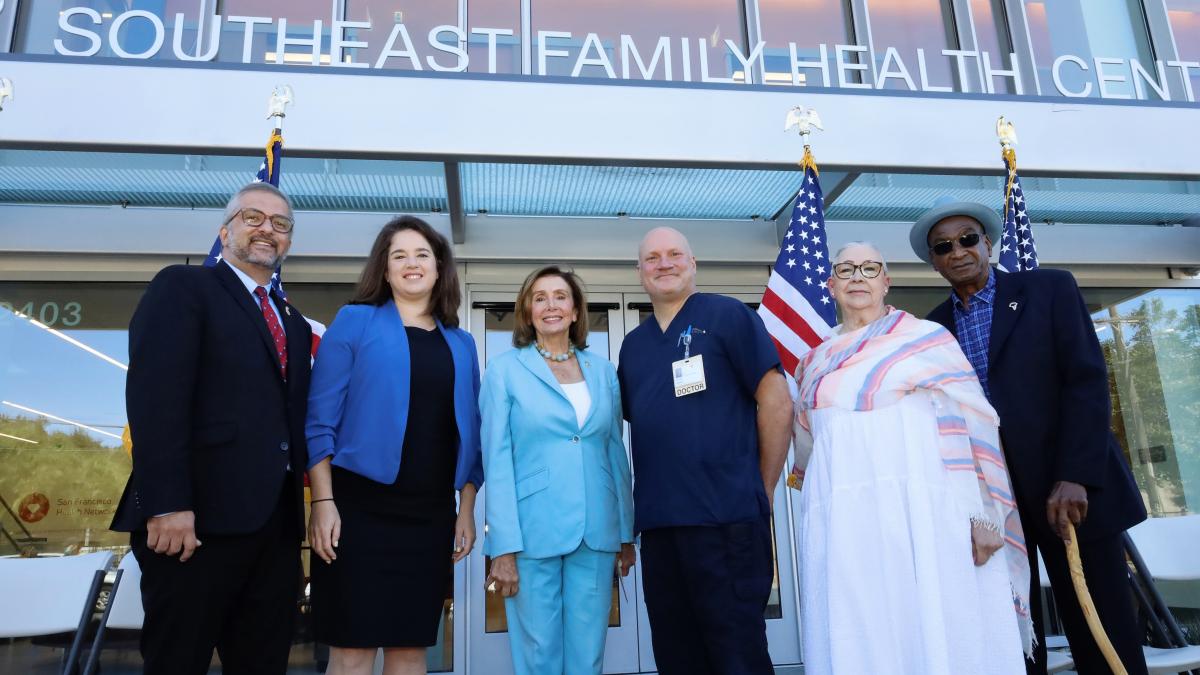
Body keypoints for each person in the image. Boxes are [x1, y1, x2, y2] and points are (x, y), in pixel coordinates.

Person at [912, 199, 1149, 675]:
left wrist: (1075, 475)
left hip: (1070, 494)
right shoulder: (931, 329)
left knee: (1102, 629)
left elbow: (1085, 381)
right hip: (994, 504)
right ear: (934, 261)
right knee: (1016, 636)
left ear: (988, 243)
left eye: (967, 239)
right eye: (943, 246)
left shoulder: (1048, 289)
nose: (957, 252)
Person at [790, 241, 1031, 675]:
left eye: (869, 268)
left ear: (886, 281)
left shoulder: (927, 340)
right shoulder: (811, 363)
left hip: (925, 517)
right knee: (860, 625)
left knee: (935, 623)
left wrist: (984, 517)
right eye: (845, 270)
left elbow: (973, 430)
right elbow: (811, 451)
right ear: (830, 285)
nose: (857, 277)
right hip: (847, 526)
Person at [111, 182, 312, 675]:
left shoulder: (296, 324)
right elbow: (155, 398)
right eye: (253, 217)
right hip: (192, 526)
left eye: (280, 223)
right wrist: (166, 503)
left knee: (263, 664)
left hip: (275, 532)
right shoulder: (184, 287)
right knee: (178, 662)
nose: (268, 228)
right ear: (224, 232)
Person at [305, 216, 484, 675]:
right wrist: (323, 501)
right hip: (356, 510)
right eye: (398, 255)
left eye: (422, 254)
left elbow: (470, 431)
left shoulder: (461, 343)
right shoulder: (354, 321)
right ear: (383, 270)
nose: (411, 264)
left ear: (440, 268)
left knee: (410, 648)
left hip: (428, 515)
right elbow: (319, 421)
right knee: (353, 647)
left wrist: (465, 509)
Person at [616, 227, 793, 674]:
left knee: (737, 653)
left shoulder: (729, 315)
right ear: (640, 273)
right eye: (652, 257)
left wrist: (762, 488)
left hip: (726, 519)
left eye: (675, 254)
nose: (664, 263)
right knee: (677, 655)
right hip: (660, 529)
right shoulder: (634, 347)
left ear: (693, 264)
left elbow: (775, 400)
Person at [480, 265, 636, 675]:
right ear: (527, 312)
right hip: (532, 532)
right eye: (540, 297)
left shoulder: (603, 371)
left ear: (575, 310)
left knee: (589, 655)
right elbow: (496, 461)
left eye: (560, 296)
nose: (551, 305)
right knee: (538, 655)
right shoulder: (504, 370)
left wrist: (625, 532)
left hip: (598, 530)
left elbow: (613, 452)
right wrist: (503, 546)